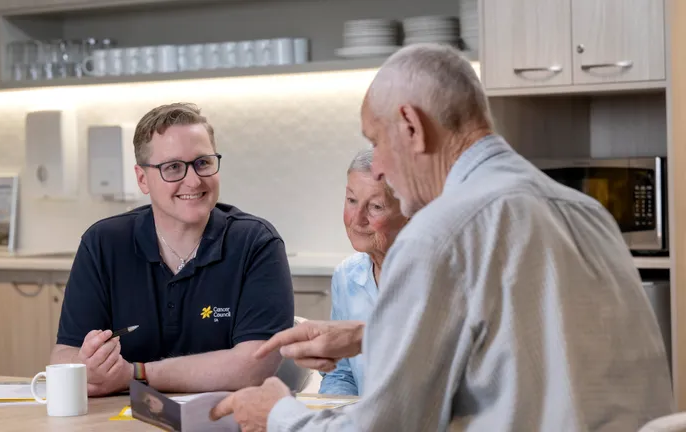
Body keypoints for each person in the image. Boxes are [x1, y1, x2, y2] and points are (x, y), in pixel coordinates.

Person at [210, 44, 674, 431]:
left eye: (377, 141)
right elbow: (528, 347)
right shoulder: (586, 211)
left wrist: (277, 414)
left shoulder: (441, 233)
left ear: (412, 127)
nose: (381, 168)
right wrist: (371, 336)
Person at [50, 102, 295, 397]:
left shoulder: (256, 243)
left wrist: (135, 374)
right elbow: (64, 356)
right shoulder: (102, 243)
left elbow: (255, 365)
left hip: (224, 421)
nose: (193, 180)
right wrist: (89, 365)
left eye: (203, 163)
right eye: (173, 167)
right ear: (142, 179)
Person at [318, 148, 408, 396]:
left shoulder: (436, 278)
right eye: (351, 200)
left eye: (376, 206)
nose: (357, 219)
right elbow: (340, 371)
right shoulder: (346, 276)